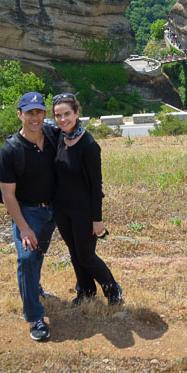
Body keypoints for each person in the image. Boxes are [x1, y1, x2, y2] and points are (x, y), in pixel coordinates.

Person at [0, 91, 58, 342]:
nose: (35, 117)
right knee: (26, 258)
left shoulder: (53, 136)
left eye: (39, 112)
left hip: (52, 210)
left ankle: (34, 288)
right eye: (29, 112)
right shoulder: (10, 150)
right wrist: (23, 227)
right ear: (20, 114)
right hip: (27, 212)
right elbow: (8, 195)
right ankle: (34, 318)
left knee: (38, 254)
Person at [51, 93, 123, 305]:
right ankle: (86, 291)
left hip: (83, 211)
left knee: (86, 256)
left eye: (67, 114)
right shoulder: (59, 138)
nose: (63, 119)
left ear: (77, 113)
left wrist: (97, 219)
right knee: (74, 254)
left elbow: (95, 186)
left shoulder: (89, 145)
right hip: (62, 210)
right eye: (58, 115)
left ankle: (113, 290)